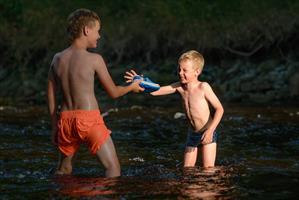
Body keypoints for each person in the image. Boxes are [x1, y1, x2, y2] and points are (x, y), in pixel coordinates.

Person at [47, 8, 143, 178]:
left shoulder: (57, 59)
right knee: (113, 168)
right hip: (89, 119)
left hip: (66, 120)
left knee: (64, 170)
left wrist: (55, 125)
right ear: (86, 30)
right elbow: (113, 92)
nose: (99, 36)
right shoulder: (94, 59)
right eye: (97, 31)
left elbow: (51, 96)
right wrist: (132, 86)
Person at [125, 50, 224, 168]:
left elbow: (219, 109)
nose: (180, 73)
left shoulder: (203, 87)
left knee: (208, 170)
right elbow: (156, 92)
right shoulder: (179, 87)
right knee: (187, 171)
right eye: (179, 69)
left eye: (185, 70)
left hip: (207, 131)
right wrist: (141, 82)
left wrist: (210, 130)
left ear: (197, 72)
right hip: (193, 133)